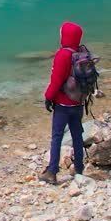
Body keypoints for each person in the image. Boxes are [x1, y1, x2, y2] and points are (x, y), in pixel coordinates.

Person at [39, 21, 87, 184]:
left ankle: (52, 171)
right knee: (77, 136)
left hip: (63, 105)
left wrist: (48, 97)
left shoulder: (63, 55)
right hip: (78, 102)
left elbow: (56, 80)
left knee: (57, 137)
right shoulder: (81, 52)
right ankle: (79, 168)